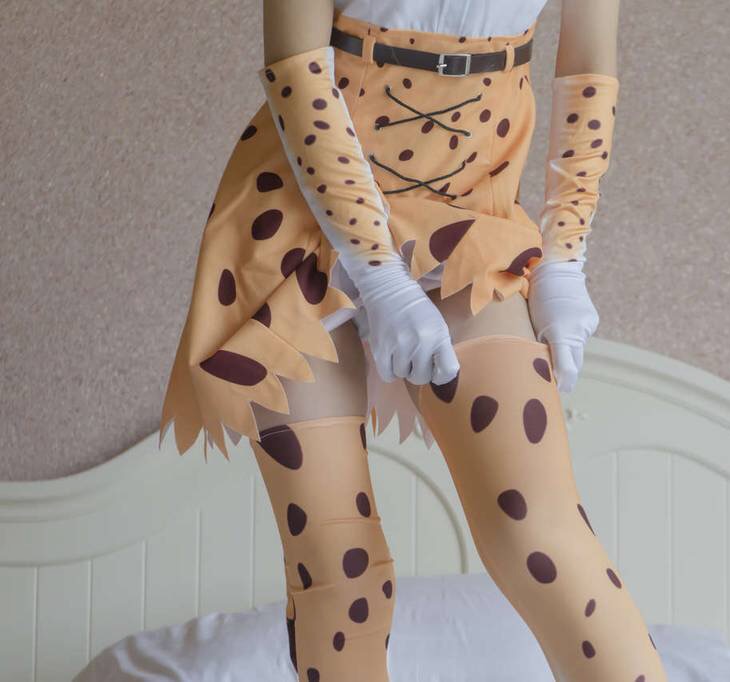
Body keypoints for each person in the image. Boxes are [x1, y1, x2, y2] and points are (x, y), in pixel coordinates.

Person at [158, 0, 666, 679]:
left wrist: (566, 257)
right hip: (297, 221)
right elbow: (296, 69)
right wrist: (377, 272)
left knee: (539, 532)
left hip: (468, 217)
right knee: (341, 575)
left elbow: (588, 69)